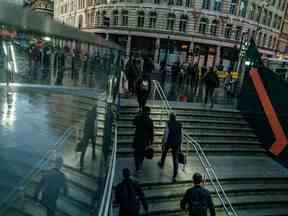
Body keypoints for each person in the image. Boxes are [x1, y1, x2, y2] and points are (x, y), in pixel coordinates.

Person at [158, 113, 182, 182]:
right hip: (176, 143)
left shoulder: (168, 123)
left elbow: (166, 134)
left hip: (169, 142)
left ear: (170, 118)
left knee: (164, 153)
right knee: (175, 159)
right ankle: (174, 175)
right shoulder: (179, 124)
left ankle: (162, 164)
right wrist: (180, 144)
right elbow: (181, 135)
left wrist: (163, 142)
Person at [133, 106, 154, 173]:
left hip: (137, 138)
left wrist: (138, 114)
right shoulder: (150, 121)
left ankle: (137, 167)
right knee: (142, 153)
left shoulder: (138, 118)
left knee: (136, 153)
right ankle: (140, 166)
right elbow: (151, 132)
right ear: (148, 112)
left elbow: (133, 122)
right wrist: (151, 141)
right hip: (145, 140)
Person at [78, 106, 97, 171]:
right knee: (93, 144)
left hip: (86, 133)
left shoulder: (88, 113)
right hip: (91, 132)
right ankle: (93, 155)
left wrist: (84, 133)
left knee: (84, 149)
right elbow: (94, 124)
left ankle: (81, 164)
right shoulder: (95, 114)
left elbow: (86, 124)